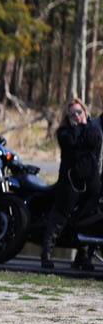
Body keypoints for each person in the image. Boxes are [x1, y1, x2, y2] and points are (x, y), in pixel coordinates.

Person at [41, 98, 103, 270]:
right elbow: (70, 143)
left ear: (85, 112)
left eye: (79, 112)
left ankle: (82, 258)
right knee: (59, 217)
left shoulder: (93, 129)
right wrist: (77, 129)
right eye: (72, 114)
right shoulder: (64, 132)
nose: (77, 116)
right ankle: (46, 255)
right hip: (70, 181)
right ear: (67, 118)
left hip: (90, 181)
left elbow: (94, 141)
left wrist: (83, 128)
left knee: (88, 220)